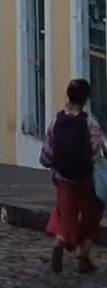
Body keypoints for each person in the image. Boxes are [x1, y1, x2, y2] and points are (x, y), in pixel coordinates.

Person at [41, 78, 104, 274]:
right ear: (86, 99)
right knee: (92, 213)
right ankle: (83, 255)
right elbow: (96, 149)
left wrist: (52, 165)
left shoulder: (56, 119)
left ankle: (60, 242)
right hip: (86, 176)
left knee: (65, 213)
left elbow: (47, 151)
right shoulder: (89, 121)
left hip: (62, 176)